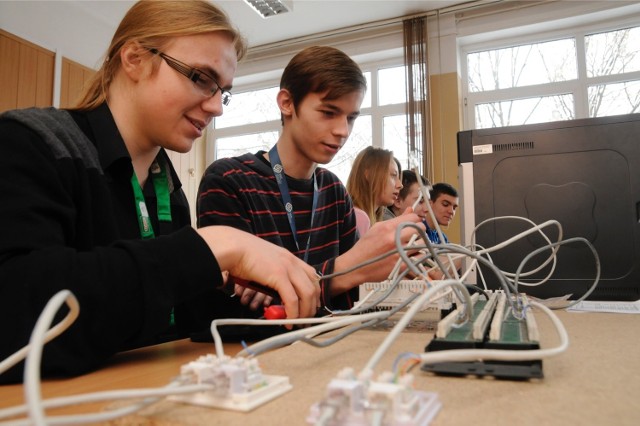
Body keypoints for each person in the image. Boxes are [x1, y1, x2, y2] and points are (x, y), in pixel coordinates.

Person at [0, 1, 322, 384]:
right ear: (134, 58)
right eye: (201, 78)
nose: (218, 106)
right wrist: (214, 246)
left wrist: (232, 291)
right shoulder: (31, 143)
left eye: (224, 91)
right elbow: (18, 313)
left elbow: (165, 325)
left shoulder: (164, 185)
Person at [197, 45, 422, 318]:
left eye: (351, 118)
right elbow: (242, 305)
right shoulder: (229, 180)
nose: (342, 131)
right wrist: (348, 269)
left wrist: (395, 276)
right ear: (287, 103)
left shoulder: (334, 191)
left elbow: (351, 297)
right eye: (329, 112)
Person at [346, 147, 403, 236]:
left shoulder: (370, 217)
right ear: (369, 175)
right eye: (393, 175)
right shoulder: (358, 217)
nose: (400, 185)